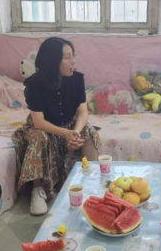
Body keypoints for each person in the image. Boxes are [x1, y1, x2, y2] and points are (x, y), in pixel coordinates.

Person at [12, 37, 100, 215]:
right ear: (53, 61)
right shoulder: (35, 84)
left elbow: (83, 112)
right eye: (67, 57)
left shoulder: (76, 79)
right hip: (45, 127)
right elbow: (39, 122)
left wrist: (74, 132)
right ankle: (38, 189)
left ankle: (94, 179)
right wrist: (65, 133)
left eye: (73, 55)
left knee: (88, 131)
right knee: (39, 136)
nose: (73, 61)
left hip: (69, 125)